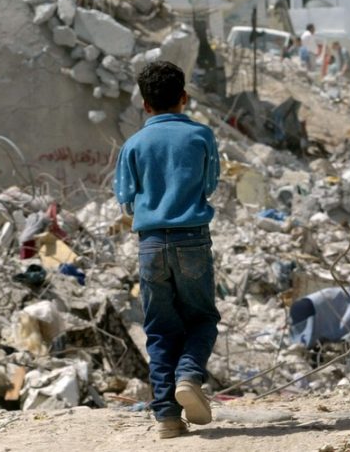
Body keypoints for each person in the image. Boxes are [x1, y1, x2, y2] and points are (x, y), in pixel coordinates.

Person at [114, 61, 220, 440]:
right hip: (192, 238)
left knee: (159, 329)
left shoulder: (133, 145)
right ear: (184, 98)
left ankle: (167, 418)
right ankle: (189, 376)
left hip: (151, 244)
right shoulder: (201, 136)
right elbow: (210, 185)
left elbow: (125, 199)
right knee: (202, 319)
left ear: (145, 105)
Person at [288, 287, 350, 359]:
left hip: (307, 303)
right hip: (314, 307)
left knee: (307, 337)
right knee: (315, 333)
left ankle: (308, 354)